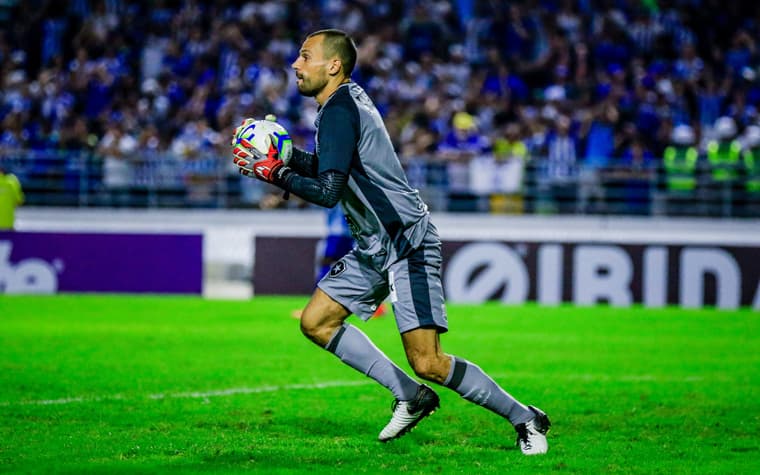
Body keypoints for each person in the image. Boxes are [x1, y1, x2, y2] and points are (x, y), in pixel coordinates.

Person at [231, 29, 550, 455]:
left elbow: (328, 191)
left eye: (305, 57)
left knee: (429, 362)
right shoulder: (339, 106)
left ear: (333, 65)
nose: (296, 64)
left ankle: (526, 418)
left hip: (404, 241)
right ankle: (411, 397)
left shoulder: (340, 109)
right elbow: (335, 169)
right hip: (375, 244)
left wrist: (274, 173)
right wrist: (282, 158)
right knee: (316, 322)